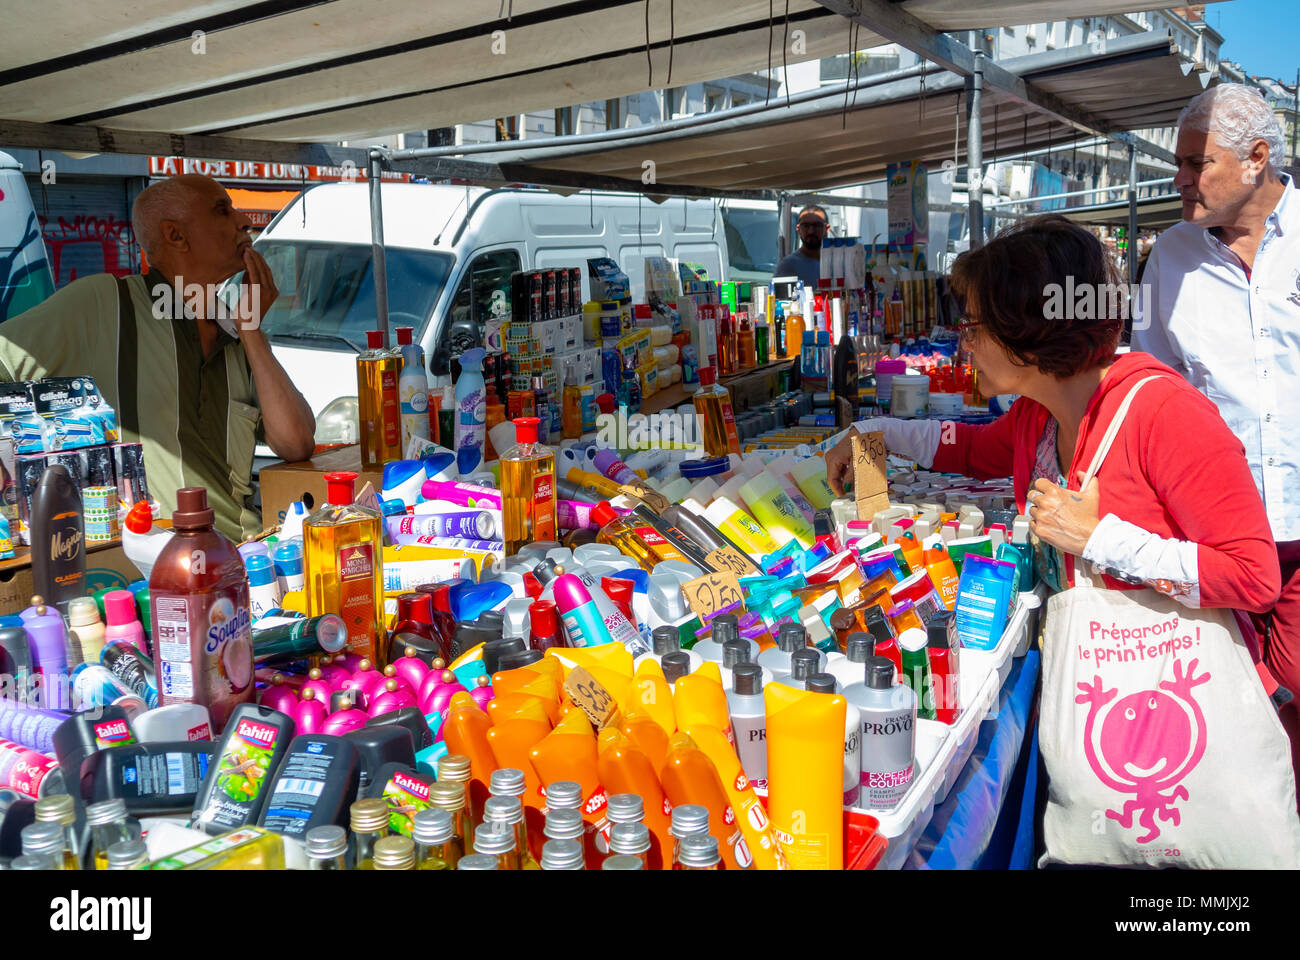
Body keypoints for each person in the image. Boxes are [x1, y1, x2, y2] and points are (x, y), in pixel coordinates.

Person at [825, 215, 1279, 623]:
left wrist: (1099, 539)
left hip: (1169, 692)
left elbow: (1255, 579)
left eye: (973, 327)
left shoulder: (1165, 412)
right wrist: (873, 432)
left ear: (1027, 329)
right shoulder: (1038, 414)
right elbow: (970, 449)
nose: (965, 346)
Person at [1132, 83, 1300, 788]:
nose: (1180, 180)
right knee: (1227, 713)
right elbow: (1147, 388)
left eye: (1197, 163)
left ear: (1257, 159)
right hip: (1212, 538)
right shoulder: (1167, 259)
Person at [0, 175, 315, 542]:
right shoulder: (105, 304)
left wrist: (251, 332)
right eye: (222, 210)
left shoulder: (239, 330)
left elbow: (297, 444)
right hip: (145, 575)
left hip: (240, 558)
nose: (244, 221)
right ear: (175, 235)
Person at [774, 204, 829, 286]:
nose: (811, 231)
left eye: (817, 225)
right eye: (806, 226)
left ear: (827, 229)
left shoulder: (837, 263)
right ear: (798, 229)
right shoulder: (788, 266)